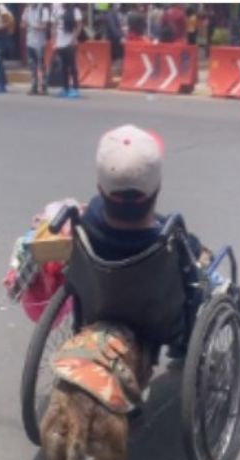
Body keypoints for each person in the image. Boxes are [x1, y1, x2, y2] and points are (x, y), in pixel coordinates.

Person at [78, 125, 211, 361]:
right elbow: (194, 254)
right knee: (208, 278)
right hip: (160, 320)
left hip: (99, 301)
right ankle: (183, 348)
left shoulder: (89, 220)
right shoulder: (169, 239)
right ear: (156, 188)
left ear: (101, 188)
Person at [53, 3, 83, 98]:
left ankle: (75, 88)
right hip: (60, 42)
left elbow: (79, 25)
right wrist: (54, 40)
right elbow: (54, 25)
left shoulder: (75, 11)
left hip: (70, 42)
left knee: (72, 66)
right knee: (63, 67)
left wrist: (74, 38)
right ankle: (65, 88)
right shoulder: (57, 10)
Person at [22, 3, 52, 95]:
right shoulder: (27, 10)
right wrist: (25, 24)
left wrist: (34, 26)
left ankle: (44, 86)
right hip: (30, 41)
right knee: (32, 66)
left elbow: (44, 26)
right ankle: (34, 86)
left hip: (40, 43)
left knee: (41, 65)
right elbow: (22, 25)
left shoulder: (43, 10)